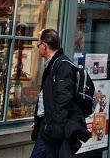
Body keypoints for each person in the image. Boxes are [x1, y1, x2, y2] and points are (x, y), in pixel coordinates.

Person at [31, 29, 89, 158]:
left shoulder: (62, 66)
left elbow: (64, 99)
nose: (38, 48)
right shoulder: (54, 64)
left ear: (44, 46)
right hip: (47, 125)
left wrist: (53, 128)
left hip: (51, 129)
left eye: (39, 45)